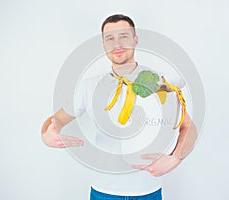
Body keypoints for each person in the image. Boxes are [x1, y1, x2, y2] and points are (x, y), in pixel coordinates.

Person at [41, 14, 197, 200]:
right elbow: (56, 120)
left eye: (123, 36)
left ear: (135, 40)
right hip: (103, 192)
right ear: (104, 45)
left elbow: (188, 126)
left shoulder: (159, 82)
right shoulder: (89, 86)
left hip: (148, 192)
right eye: (110, 39)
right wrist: (47, 135)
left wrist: (175, 158)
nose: (117, 44)